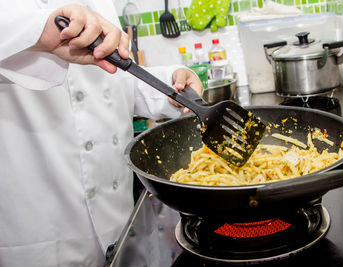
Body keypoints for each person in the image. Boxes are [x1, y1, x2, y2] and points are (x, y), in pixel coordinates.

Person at [0, 1, 203, 266]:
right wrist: (39, 31)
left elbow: (116, 81)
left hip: (120, 221)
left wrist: (171, 86)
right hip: (41, 233)